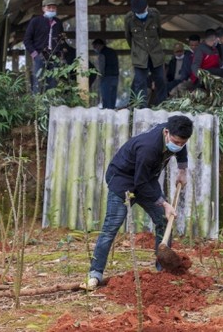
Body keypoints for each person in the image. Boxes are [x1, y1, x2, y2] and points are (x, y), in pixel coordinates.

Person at [81, 115, 194, 290]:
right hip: (123, 180)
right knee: (111, 226)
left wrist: (182, 170)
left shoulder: (175, 133)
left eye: (182, 143)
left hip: (146, 179)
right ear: (166, 132)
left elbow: (180, 149)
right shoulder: (148, 148)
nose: (178, 146)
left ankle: (162, 270)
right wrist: (163, 203)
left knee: (164, 221)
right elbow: (140, 183)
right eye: (176, 142)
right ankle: (95, 273)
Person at [125, 0, 166, 107]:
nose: (140, 14)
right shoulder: (129, 18)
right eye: (138, 12)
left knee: (160, 80)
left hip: (155, 54)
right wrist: (137, 50)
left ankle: (163, 105)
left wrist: (152, 47)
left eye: (142, 11)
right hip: (140, 56)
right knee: (140, 82)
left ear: (146, 7)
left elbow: (159, 33)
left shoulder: (155, 14)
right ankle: (141, 108)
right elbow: (128, 37)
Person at [24, 0, 64, 93]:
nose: (51, 9)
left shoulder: (58, 23)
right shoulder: (35, 21)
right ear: (43, 8)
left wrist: (60, 54)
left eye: (53, 7)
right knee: (38, 82)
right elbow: (27, 40)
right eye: (48, 7)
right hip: (40, 55)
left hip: (54, 57)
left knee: (52, 83)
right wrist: (35, 55)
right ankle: (37, 106)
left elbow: (61, 40)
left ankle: (49, 106)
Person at [92, 39, 119, 109]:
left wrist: (101, 77)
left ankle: (107, 114)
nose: (95, 49)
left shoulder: (102, 54)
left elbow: (101, 67)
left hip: (106, 77)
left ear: (99, 45)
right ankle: (112, 111)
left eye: (95, 47)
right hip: (115, 77)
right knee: (113, 96)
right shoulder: (113, 52)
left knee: (106, 98)